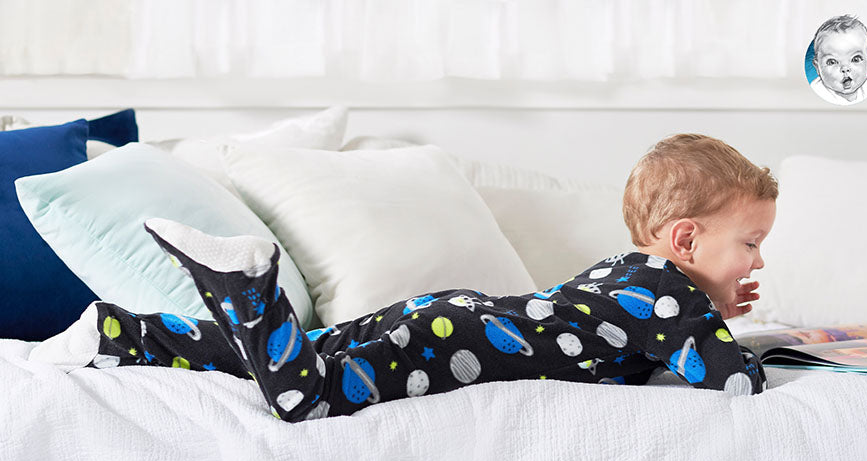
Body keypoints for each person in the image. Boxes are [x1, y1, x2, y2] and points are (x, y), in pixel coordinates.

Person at [31, 133, 777, 422]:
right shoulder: (675, 297)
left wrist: (707, 302)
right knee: (308, 398)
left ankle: (124, 333)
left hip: (447, 317)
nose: (757, 261)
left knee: (309, 351)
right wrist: (731, 332)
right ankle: (243, 290)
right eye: (748, 242)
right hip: (458, 340)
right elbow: (734, 384)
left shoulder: (625, 270)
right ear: (685, 238)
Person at [809, 15, 867, 106]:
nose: (845, 68)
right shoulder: (816, 94)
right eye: (832, 62)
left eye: (855, 59)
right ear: (817, 67)